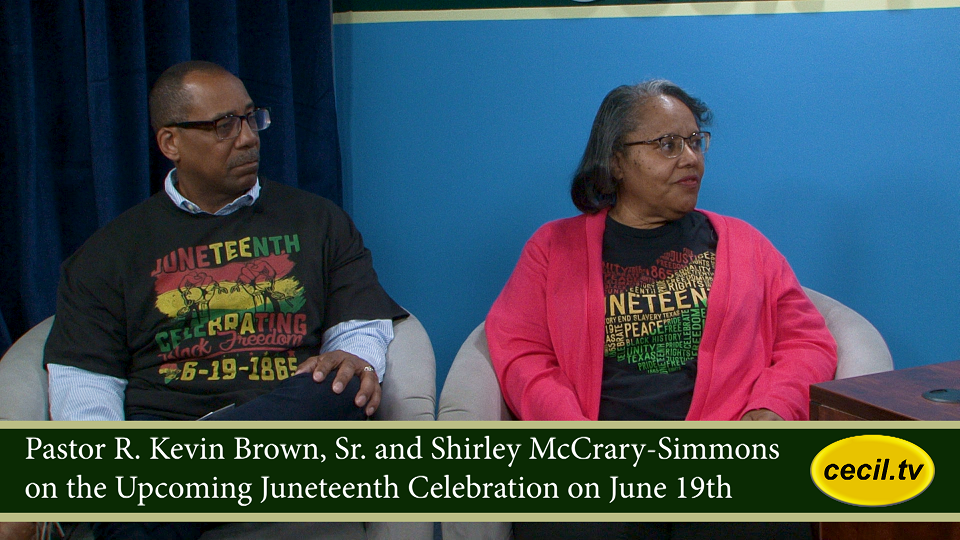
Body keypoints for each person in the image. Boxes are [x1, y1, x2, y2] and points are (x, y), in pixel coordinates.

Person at [485, 79, 837, 540]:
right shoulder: (553, 248)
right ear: (616, 161)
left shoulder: (746, 245)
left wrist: (770, 410)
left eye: (695, 141)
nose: (690, 158)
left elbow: (807, 341)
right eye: (666, 144)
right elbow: (521, 349)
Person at [44, 60, 407, 424]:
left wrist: (349, 360)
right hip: (166, 425)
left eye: (251, 118)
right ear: (171, 143)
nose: (249, 137)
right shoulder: (108, 252)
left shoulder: (319, 221)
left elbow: (359, 327)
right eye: (224, 126)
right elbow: (85, 386)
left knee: (343, 387)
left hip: (289, 421)